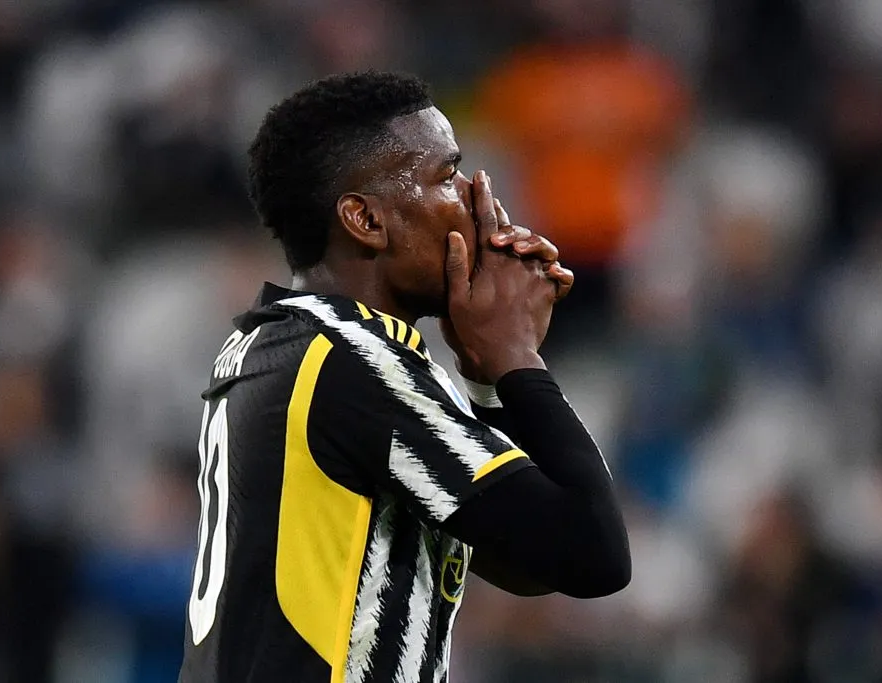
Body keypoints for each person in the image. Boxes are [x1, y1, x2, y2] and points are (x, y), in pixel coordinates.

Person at [177, 71, 631, 683]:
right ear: (365, 220)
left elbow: (529, 561)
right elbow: (594, 554)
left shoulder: (278, 345)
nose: (477, 199)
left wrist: (486, 376)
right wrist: (515, 353)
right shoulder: (353, 361)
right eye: (446, 175)